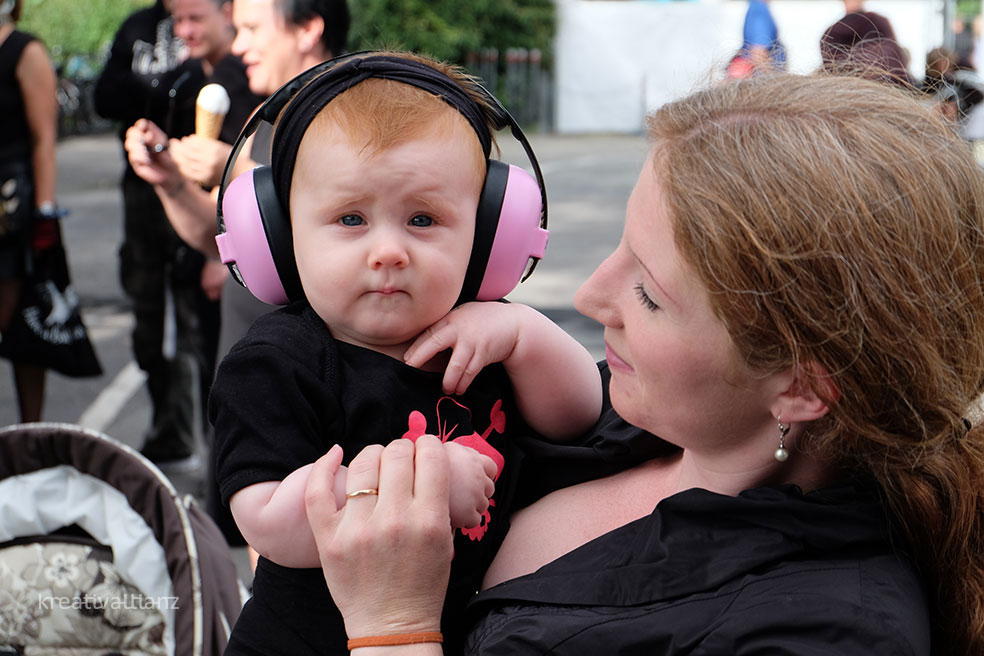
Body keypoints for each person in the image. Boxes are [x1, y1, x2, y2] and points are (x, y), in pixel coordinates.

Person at [306, 71, 984, 654]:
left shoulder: (823, 631)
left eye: (649, 294)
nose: (589, 296)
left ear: (802, 386)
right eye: (620, 247)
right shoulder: (624, 410)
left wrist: (393, 626)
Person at [208, 50, 603, 656]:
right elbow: (267, 520)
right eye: (350, 219)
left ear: (489, 237)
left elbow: (577, 415)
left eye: (423, 218)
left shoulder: (485, 334)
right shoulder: (276, 363)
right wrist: (428, 482)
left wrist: (524, 334)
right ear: (280, 238)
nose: (388, 250)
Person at [124, 0, 350, 550]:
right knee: (264, 543)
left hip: (321, 375)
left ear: (309, 30)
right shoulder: (265, 115)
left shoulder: (353, 111)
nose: (239, 43)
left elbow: (347, 212)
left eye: (251, 28)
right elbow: (217, 237)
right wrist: (172, 183)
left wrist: (234, 169)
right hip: (257, 368)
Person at [94, 0, 215, 471]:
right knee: (147, 318)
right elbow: (105, 97)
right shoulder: (136, 28)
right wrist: (151, 87)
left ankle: (201, 437)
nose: (186, 26)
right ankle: (170, 432)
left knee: (194, 317)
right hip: (141, 191)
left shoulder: (214, 20)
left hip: (196, 183)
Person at [0, 0, 57, 422]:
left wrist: (44, 214)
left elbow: (44, 140)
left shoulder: (25, 50)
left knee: (23, 329)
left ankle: (30, 439)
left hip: (12, 210)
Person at [820, 0, 913, 87]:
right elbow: (831, 62)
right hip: (850, 82)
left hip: (886, 80)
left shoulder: (879, 22)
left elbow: (893, 51)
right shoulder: (832, 32)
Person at [726, 0, 785, 79]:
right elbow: (758, 54)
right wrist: (777, 84)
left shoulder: (755, 7)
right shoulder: (759, 11)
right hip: (757, 82)